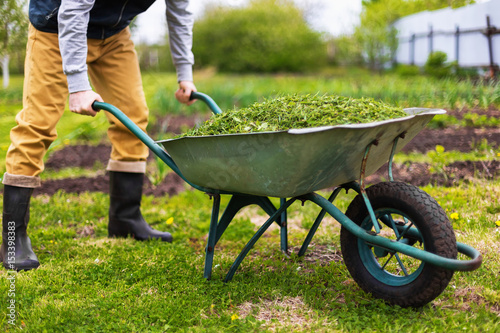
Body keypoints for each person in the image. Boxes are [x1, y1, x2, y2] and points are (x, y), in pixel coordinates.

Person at [1, 0, 197, 271]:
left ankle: (125, 218)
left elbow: (180, 13)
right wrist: (78, 83)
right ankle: (13, 240)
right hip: (55, 27)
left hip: (113, 35)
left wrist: (185, 73)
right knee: (36, 126)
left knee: (132, 118)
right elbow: (73, 10)